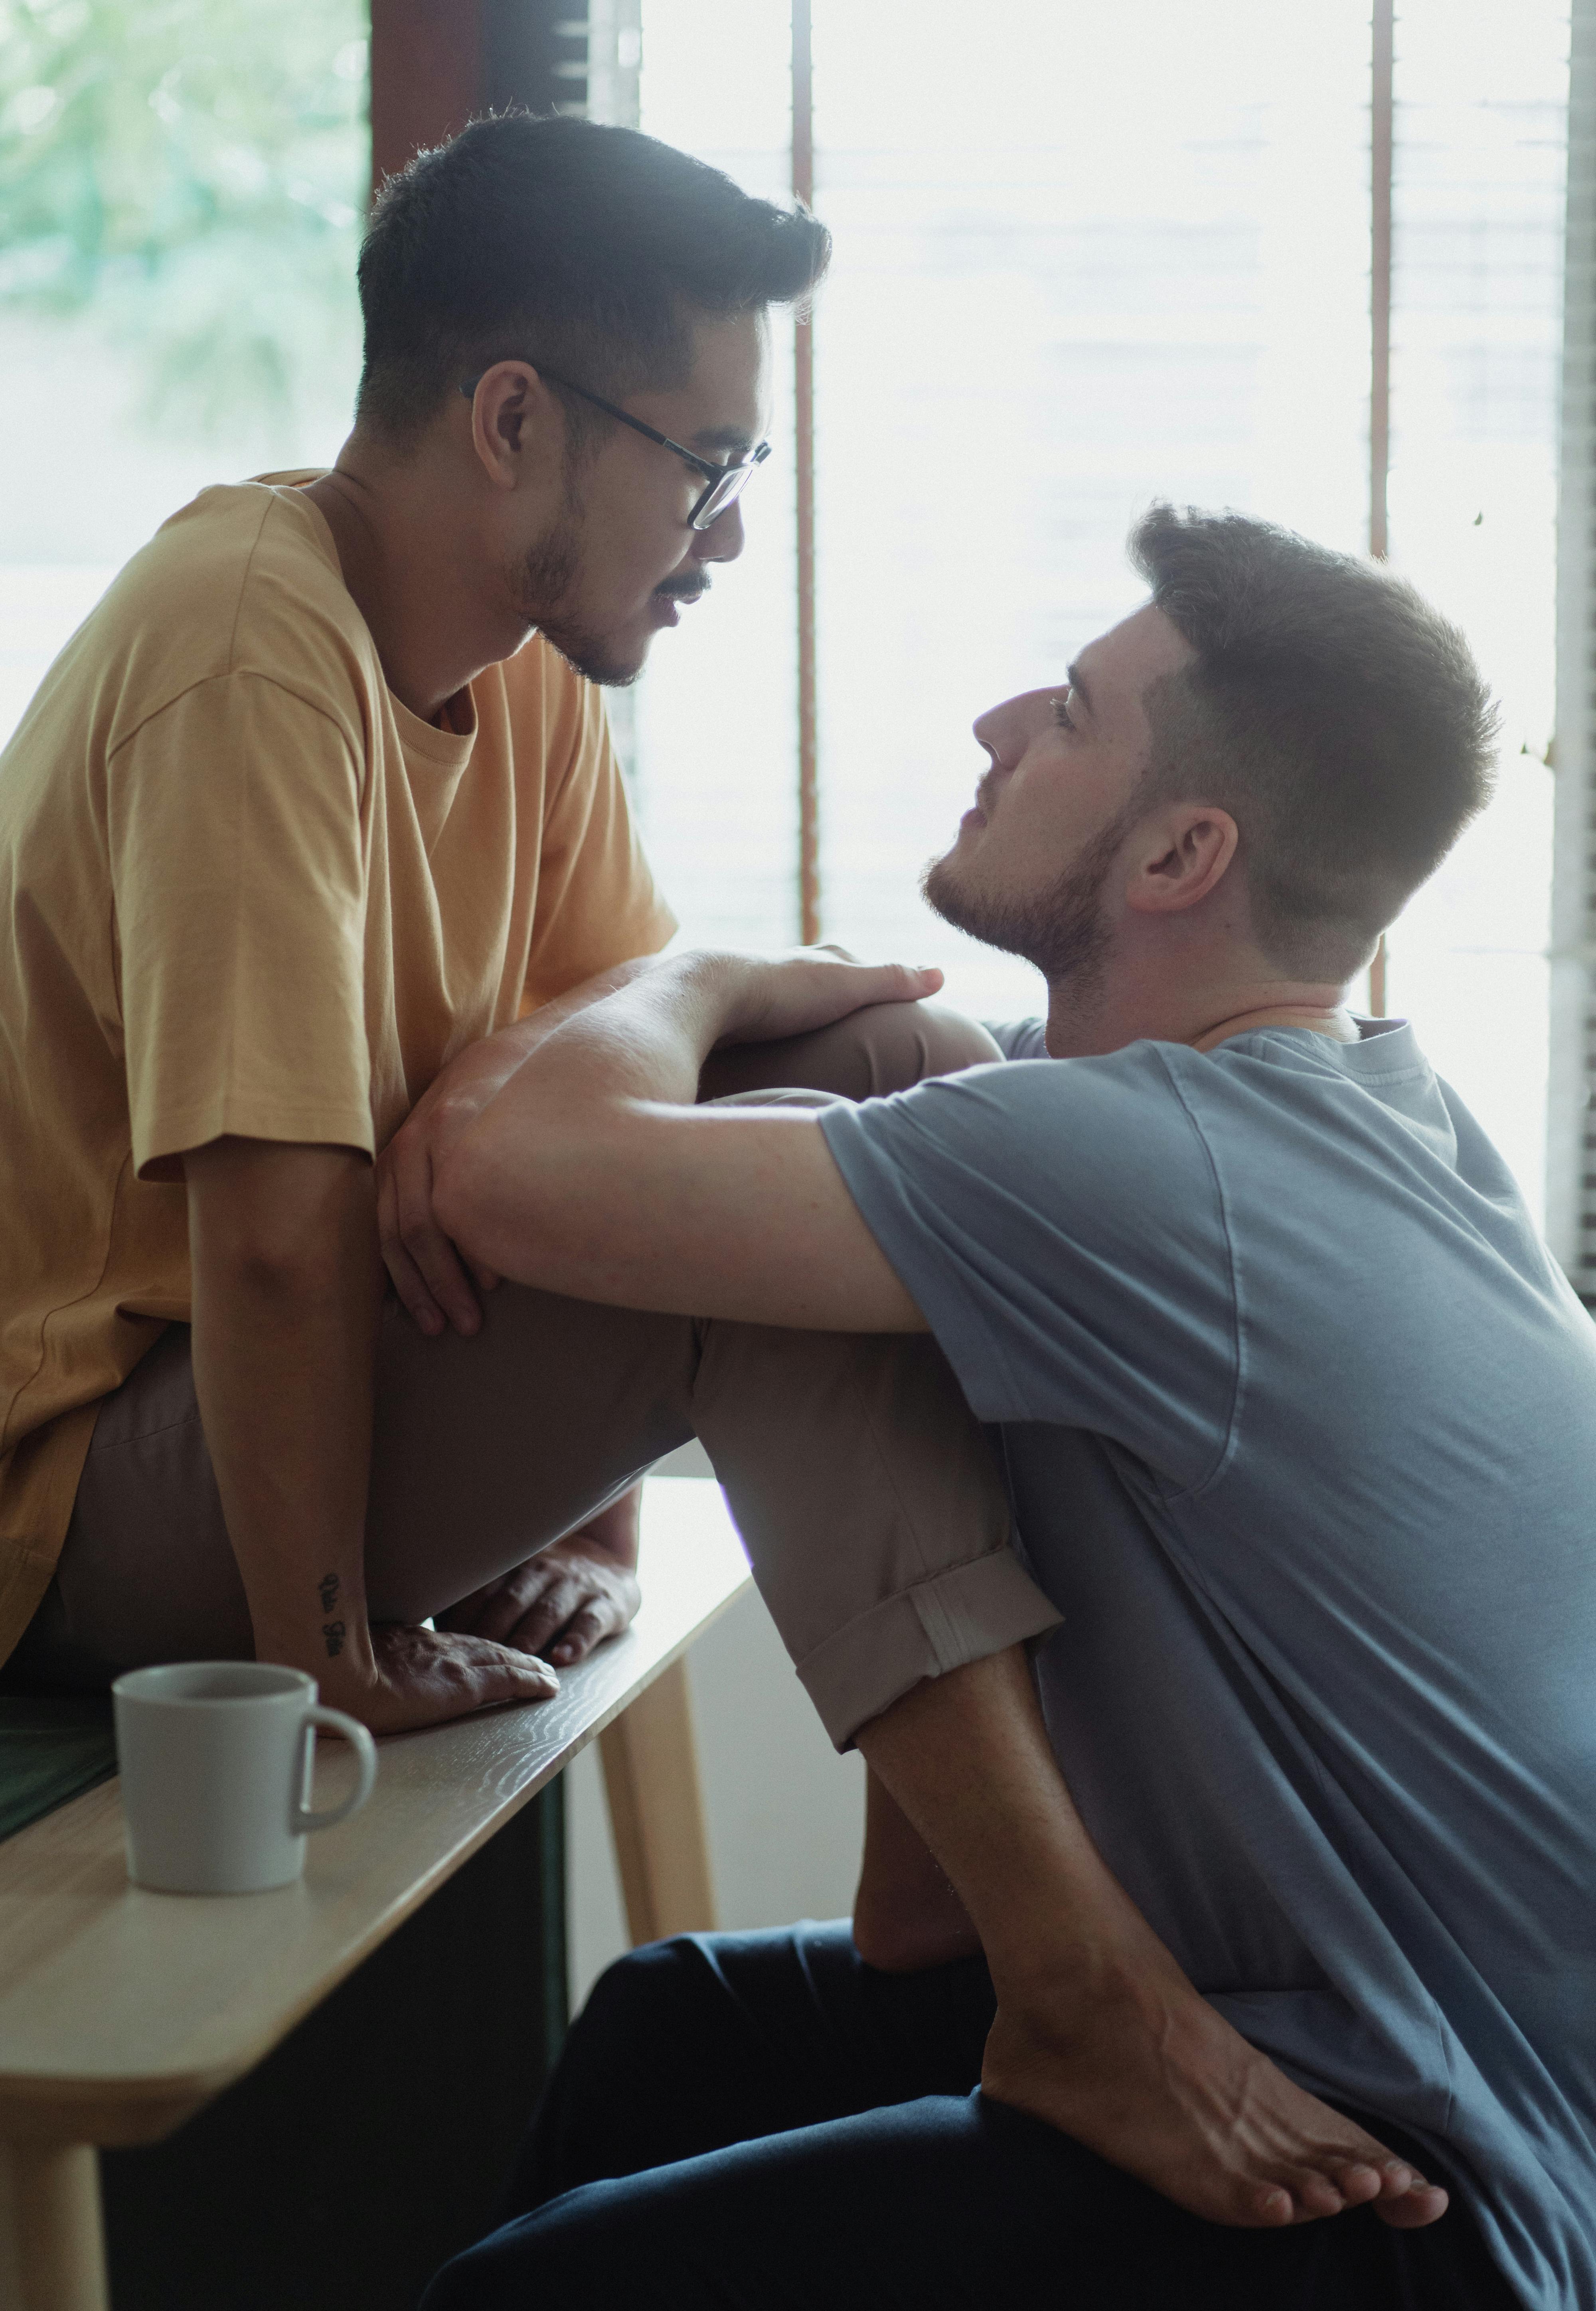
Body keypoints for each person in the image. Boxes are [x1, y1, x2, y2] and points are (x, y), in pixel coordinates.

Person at [389, 506, 1596, 2311]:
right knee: (670, 2028)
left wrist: (700, 974)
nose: (991, 725)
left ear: (1184, 852)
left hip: (1390, 2207)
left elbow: (505, 1172)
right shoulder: (1383, 1120)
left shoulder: (1157, 1173)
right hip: (1379, 2067)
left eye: (1074, 713)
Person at [0, 111, 1063, 1739]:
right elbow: (276, 1244)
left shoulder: (520, 668)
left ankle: (923, 1905)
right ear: (509, 419)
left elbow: (605, 1092)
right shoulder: (246, 644)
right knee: (782, 1185)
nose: (727, 534)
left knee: (903, 1067)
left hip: (317, 1391)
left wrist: (593, 1529)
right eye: (708, 464)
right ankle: (1040, 1945)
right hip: (84, 1488)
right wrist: (332, 1666)